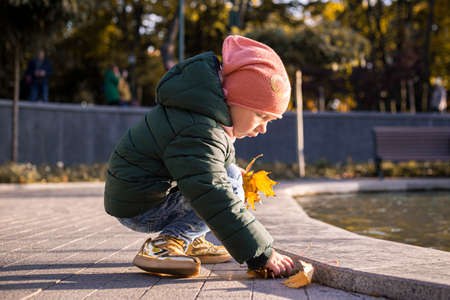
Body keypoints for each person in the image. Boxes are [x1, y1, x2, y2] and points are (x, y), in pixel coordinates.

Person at [104, 35, 294, 277]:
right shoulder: (199, 128)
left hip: (140, 197)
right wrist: (261, 253)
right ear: (235, 98)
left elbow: (206, 167)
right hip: (141, 207)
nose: (263, 128)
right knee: (224, 187)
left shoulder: (202, 115)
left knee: (231, 176)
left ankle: (190, 240)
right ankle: (165, 245)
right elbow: (210, 191)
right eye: (261, 116)